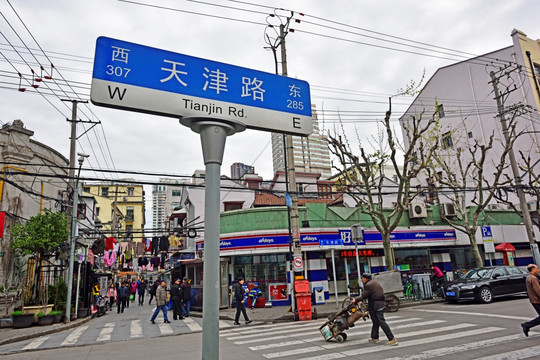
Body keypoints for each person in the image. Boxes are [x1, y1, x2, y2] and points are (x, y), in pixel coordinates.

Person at [353, 273, 398, 346]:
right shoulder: (374, 282)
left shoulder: (369, 285)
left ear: (365, 278)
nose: (362, 280)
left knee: (381, 321)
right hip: (376, 304)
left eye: (362, 278)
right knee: (375, 321)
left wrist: (355, 300)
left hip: (377, 305)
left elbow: (364, 296)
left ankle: (392, 339)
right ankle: (375, 337)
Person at [521, 263, 540, 336]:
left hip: (534, 300)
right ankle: (527, 325)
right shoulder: (533, 278)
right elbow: (538, 290)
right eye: (537, 268)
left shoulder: (531, 277)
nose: (538, 270)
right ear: (533, 269)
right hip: (537, 300)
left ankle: (527, 325)